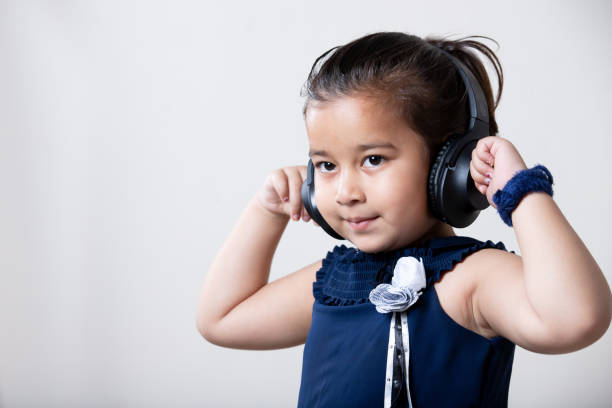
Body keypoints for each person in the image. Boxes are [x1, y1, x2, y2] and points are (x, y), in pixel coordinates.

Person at [195, 32, 611, 407]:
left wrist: (520, 191)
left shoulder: (473, 280)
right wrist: (267, 211)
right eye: (325, 165)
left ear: (450, 167)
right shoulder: (335, 282)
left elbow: (575, 319)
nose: (345, 192)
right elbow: (221, 318)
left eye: (373, 159)